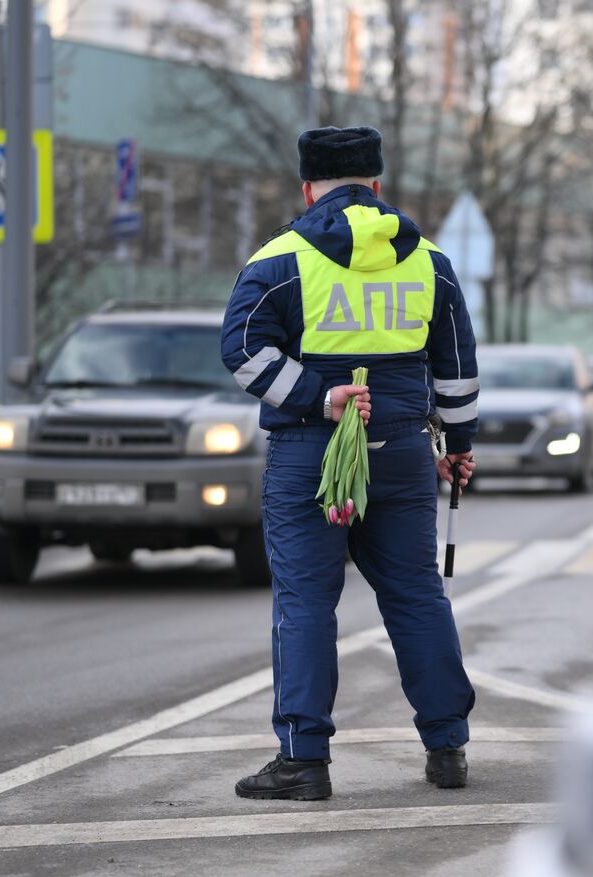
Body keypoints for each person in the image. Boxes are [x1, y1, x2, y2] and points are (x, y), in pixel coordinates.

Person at [221, 126, 479, 798]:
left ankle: (304, 760)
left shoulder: (278, 261)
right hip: (402, 454)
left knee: (306, 601)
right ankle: (447, 747)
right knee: (418, 595)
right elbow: (456, 369)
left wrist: (318, 396)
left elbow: (243, 350)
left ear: (308, 188)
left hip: (312, 454)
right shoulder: (430, 262)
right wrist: (458, 445)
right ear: (378, 184)